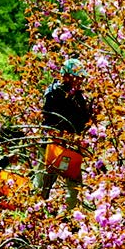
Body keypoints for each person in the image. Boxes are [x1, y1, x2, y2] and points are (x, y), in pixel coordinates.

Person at [35, 58, 94, 210]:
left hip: (71, 144)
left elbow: (82, 120)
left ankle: (67, 216)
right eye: (77, 77)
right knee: (44, 182)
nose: (80, 81)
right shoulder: (54, 93)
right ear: (67, 76)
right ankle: (37, 211)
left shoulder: (78, 96)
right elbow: (49, 117)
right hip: (53, 142)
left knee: (73, 183)